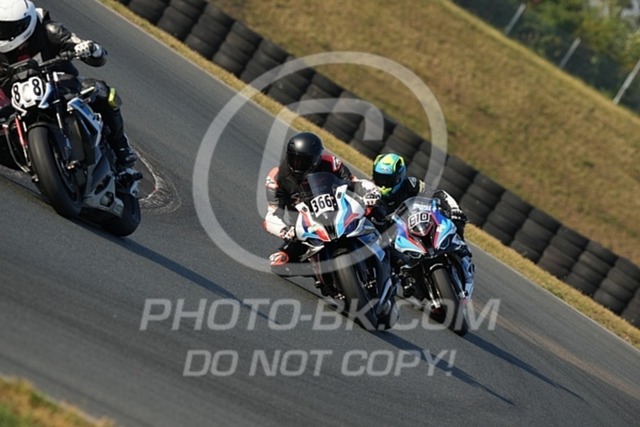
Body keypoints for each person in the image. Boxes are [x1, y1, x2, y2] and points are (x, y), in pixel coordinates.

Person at [0, 0, 136, 168]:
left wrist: (89, 49)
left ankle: (121, 146)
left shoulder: (49, 30)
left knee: (101, 91)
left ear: (24, 24)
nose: (2, 34)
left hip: (60, 84)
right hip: (17, 98)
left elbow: (92, 53)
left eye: (7, 29)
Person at [263, 131, 380, 276]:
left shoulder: (330, 163)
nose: (299, 165)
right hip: (305, 229)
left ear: (316, 158)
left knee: (377, 211)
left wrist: (369, 193)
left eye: (305, 161)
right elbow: (272, 215)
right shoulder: (276, 177)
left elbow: (353, 183)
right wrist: (285, 231)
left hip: (338, 212)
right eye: (295, 159)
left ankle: (390, 248)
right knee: (278, 262)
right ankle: (323, 274)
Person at [370, 152, 475, 300]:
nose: (383, 184)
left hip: (419, 224)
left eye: (388, 179)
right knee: (382, 253)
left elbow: (438, 194)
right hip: (394, 236)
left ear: (399, 177)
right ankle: (401, 279)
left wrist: (454, 209)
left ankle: (461, 251)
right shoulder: (371, 192)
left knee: (455, 221)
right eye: (380, 178)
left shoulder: (411, 184)